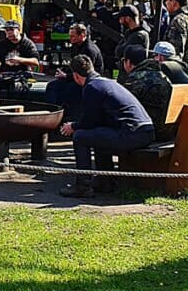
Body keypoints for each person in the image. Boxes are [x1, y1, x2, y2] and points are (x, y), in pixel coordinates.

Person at [58, 55, 155, 198]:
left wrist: (72, 126)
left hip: (132, 134)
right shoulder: (106, 82)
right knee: (98, 134)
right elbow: (97, 121)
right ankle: (105, 181)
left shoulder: (91, 87)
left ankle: (83, 186)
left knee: (80, 137)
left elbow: (89, 121)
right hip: (145, 131)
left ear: (76, 75)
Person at [45, 23, 104, 124]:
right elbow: (73, 65)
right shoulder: (75, 46)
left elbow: (86, 73)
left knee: (67, 92)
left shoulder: (89, 50)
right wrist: (63, 72)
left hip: (88, 81)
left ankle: (66, 118)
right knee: (52, 86)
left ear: (82, 35)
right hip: (76, 77)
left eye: (73, 36)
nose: (70, 38)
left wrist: (66, 76)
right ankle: (52, 114)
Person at [120, 45, 180, 141]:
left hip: (151, 131)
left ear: (128, 62)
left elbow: (121, 106)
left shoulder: (135, 79)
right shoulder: (160, 74)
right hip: (167, 130)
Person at [114, 4, 150, 80]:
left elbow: (120, 52)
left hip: (132, 76)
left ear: (128, 18)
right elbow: (117, 50)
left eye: (121, 18)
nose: (119, 21)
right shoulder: (129, 32)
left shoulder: (139, 35)